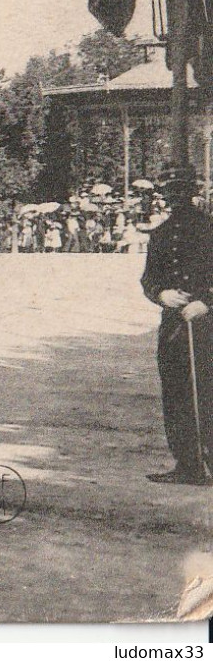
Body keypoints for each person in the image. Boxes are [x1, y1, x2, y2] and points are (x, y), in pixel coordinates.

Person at [143, 164, 213, 485]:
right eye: (172, 192)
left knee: (207, 391)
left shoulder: (208, 229)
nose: (177, 198)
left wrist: (206, 303)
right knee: (176, 392)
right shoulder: (160, 234)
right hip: (173, 325)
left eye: (183, 191)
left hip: (206, 324)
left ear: (192, 193)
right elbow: (149, 279)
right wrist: (161, 293)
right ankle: (187, 464)